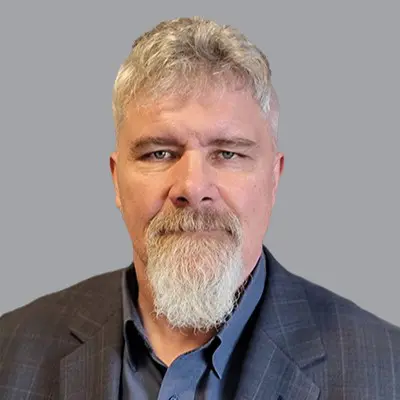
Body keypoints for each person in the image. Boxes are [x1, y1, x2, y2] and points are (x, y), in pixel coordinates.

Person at [1, 16, 399, 400]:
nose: (192, 187)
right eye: (159, 153)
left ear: (274, 180)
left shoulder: (386, 368)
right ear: (115, 180)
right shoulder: (11, 351)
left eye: (227, 153)